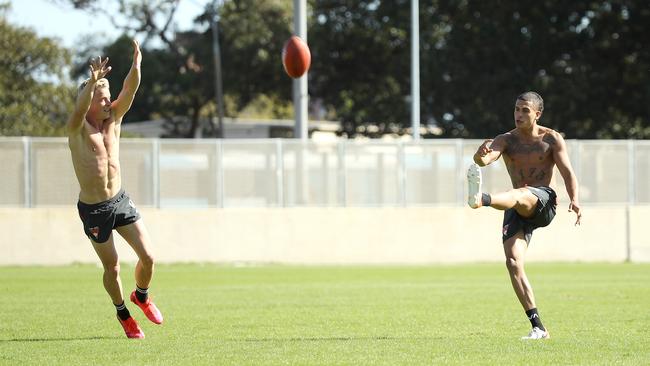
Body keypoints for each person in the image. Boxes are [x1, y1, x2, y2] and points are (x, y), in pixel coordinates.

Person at [67, 39, 163, 339]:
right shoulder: (78, 127)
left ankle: (142, 296)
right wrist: (91, 83)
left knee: (148, 257)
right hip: (94, 209)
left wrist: (137, 64)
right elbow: (81, 107)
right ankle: (123, 313)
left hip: (119, 199)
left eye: (108, 96)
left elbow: (130, 90)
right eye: (101, 97)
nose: (108, 102)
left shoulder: (114, 119)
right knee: (113, 267)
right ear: (87, 99)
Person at [467, 91, 581, 340]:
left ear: (537, 114)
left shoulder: (551, 139)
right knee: (513, 262)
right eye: (516, 109)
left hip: (542, 201)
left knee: (518, 193)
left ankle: (482, 199)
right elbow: (485, 159)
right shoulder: (506, 140)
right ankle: (538, 327)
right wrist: (479, 154)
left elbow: (568, 173)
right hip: (517, 207)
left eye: (525, 110)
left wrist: (575, 199)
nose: (519, 114)